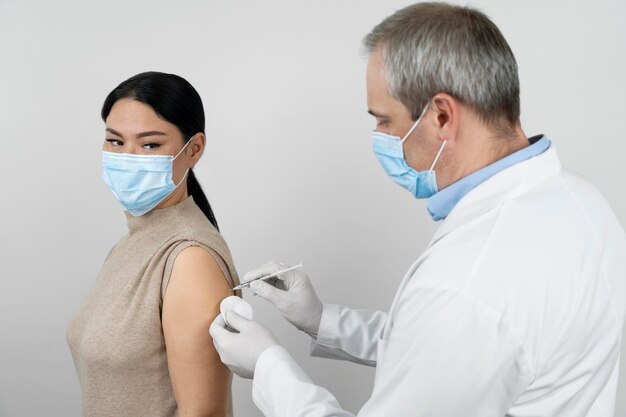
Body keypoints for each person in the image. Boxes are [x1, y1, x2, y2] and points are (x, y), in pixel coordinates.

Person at [209, 3, 626, 416]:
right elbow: (448, 354)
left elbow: (455, 326)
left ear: (442, 116)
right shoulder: (584, 203)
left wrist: (268, 366)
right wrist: (321, 320)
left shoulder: (466, 283)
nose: (378, 136)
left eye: (384, 120)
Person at [67, 72, 240, 417]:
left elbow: (203, 414)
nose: (128, 156)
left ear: (194, 149)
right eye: (115, 141)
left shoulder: (190, 259)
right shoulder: (131, 244)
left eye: (150, 144)